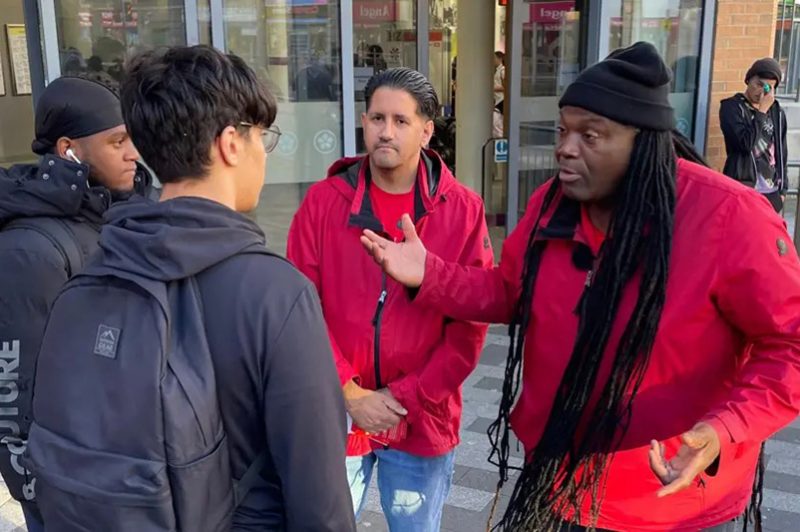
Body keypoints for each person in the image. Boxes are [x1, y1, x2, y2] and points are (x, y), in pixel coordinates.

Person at [362, 42, 800, 531]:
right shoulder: (554, 202)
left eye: (591, 135)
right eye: (564, 130)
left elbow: (790, 345)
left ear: (643, 142)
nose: (566, 147)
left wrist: (724, 429)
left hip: (669, 503)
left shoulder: (729, 218)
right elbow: (511, 292)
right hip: (557, 481)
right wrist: (431, 274)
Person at [25, 45, 355, 531]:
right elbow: (320, 503)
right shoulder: (275, 295)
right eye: (262, 136)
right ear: (230, 144)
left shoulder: (95, 270)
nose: (264, 152)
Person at [287, 67, 493, 531]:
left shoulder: (462, 211)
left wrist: (401, 399)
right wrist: (349, 392)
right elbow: (301, 308)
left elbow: (469, 327)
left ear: (427, 130)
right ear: (363, 122)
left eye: (401, 121)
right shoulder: (324, 203)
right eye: (377, 118)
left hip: (421, 418)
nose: (386, 131)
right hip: (338, 414)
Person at [0, 76, 152, 532]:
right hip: (73, 491)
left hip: (124, 467)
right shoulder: (30, 249)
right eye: (118, 141)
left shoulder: (114, 216)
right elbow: (15, 396)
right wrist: (39, 494)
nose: (133, 154)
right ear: (69, 149)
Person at [720, 57, 788, 212]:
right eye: (759, 84)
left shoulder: (777, 112)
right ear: (748, 80)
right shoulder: (732, 108)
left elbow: (781, 151)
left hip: (771, 191)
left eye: (769, 88)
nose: (762, 92)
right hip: (742, 186)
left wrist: (783, 190)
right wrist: (761, 112)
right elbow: (745, 144)